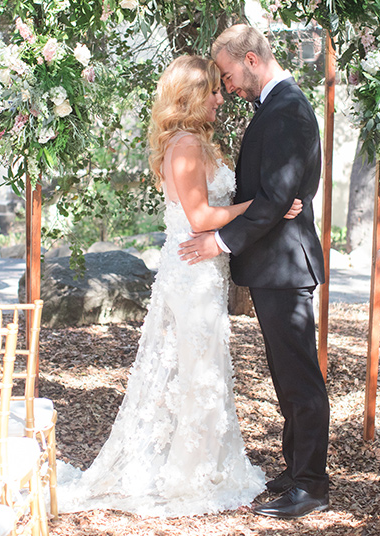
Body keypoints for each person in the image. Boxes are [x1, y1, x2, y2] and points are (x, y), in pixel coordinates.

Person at [56, 54, 302, 516]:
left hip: (204, 272)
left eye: (219, 88)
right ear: (188, 97)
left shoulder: (195, 141)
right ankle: (190, 471)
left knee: (203, 367)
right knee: (197, 369)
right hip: (192, 275)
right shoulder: (186, 145)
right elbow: (201, 218)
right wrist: (261, 204)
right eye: (211, 91)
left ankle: (206, 460)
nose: (219, 98)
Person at [178, 24, 330, 519]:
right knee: (286, 375)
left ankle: (311, 484)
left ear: (250, 58)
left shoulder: (286, 109)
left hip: (285, 266)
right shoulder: (279, 105)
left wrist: (218, 241)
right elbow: (278, 192)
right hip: (276, 265)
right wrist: (278, 201)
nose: (227, 87)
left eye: (227, 75)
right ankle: (296, 467)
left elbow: (276, 198)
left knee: (299, 377)